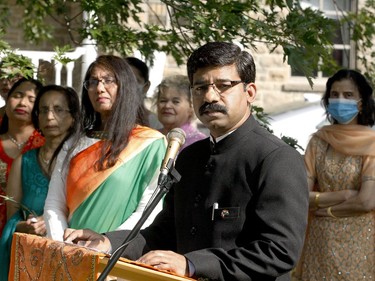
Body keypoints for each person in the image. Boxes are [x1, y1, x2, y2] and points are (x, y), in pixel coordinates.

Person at [64, 42, 309, 281]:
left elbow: (279, 251)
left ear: (250, 92)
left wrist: (192, 264)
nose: (210, 95)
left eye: (223, 85)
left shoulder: (277, 159)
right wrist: (108, 242)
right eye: (200, 87)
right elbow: (164, 232)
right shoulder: (190, 157)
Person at [44, 55, 167, 242]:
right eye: (93, 82)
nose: (99, 88)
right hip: (70, 254)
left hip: (118, 257)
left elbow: (149, 210)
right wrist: (63, 246)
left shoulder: (150, 143)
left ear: (125, 85)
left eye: (109, 80)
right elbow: (55, 205)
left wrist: (107, 243)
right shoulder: (73, 144)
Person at [293, 69, 375, 281]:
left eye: (348, 95)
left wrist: (326, 210)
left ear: (361, 102)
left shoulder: (372, 145)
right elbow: (299, 195)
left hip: (360, 244)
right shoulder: (319, 141)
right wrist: (344, 196)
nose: (340, 100)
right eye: (335, 95)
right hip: (319, 245)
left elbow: (366, 201)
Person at [0, 85, 80, 281]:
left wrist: (53, 220)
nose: (50, 116)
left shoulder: (82, 160)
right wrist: (25, 227)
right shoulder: (24, 162)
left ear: (73, 117)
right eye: (43, 110)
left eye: (58, 110)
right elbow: (13, 218)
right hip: (31, 259)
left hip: (71, 257)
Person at [0, 78, 45, 237]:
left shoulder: (46, 147)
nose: (23, 103)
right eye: (17, 95)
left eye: (31, 100)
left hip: (31, 233)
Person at [155, 74, 207, 151]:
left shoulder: (198, 143)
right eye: (163, 101)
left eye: (175, 102)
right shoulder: (151, 137)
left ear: (191, 106)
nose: (167, 106)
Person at [125, 56, 162, 129]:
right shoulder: (103, 118)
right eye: (123, 81)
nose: (127, 86)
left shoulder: (155, 124)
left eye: (133, 81)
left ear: (146, 87)